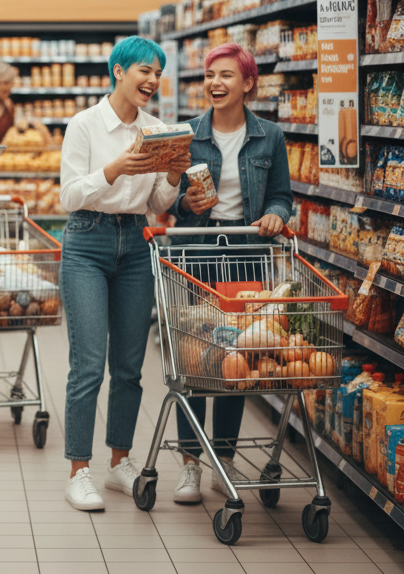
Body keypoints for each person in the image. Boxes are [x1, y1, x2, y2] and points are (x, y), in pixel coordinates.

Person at [58, 36, 191, 511]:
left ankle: (119, 461)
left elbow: (158, 203)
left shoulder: (158, 129)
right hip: (86, 242)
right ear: (118, 71)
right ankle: (79, 469)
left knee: (131, 368)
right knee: (89, 364)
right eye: (144, 71)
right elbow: (69, 196)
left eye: (158, 72)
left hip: (136, 243)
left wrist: (173, 174)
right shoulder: (85, 125)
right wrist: (114, 169)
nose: (153, 80)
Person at [169, 42, 292, 503]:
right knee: (196, 356)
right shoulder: (187, 135)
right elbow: (174, 199)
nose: (214, 83)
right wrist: (187, 203)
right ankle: (190, 464)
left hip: (245, 252)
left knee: (236, 357)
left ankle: (224, 457)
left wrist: (277, 214)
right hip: (198, 247)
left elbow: (281, 194)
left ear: (247, 83)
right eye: (209, 75)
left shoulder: (270, 137)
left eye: (225, 75)